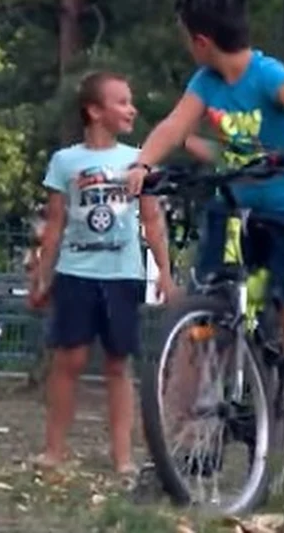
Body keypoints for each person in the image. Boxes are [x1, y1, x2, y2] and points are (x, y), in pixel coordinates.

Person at [123, 0, 284, 438]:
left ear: (201, 40)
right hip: (234, 210)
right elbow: (174, 126)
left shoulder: (267, 75)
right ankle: (173, 448)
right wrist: (142, 163)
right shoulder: (205, 81)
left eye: (186, 39)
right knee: (198, 326)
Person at [29, 71, 177, 474]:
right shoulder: (65, 161)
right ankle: (54, 450)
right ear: (94, 110)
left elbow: (151, 220)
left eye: (131, 101)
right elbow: (55, 223)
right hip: (75, 274)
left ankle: (123, 456)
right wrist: (42, 275)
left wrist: (163, 271)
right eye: (122, 102)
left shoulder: (137, 159)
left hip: (123, 275)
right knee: (68, 361)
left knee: (118, 364)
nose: (132, 109)